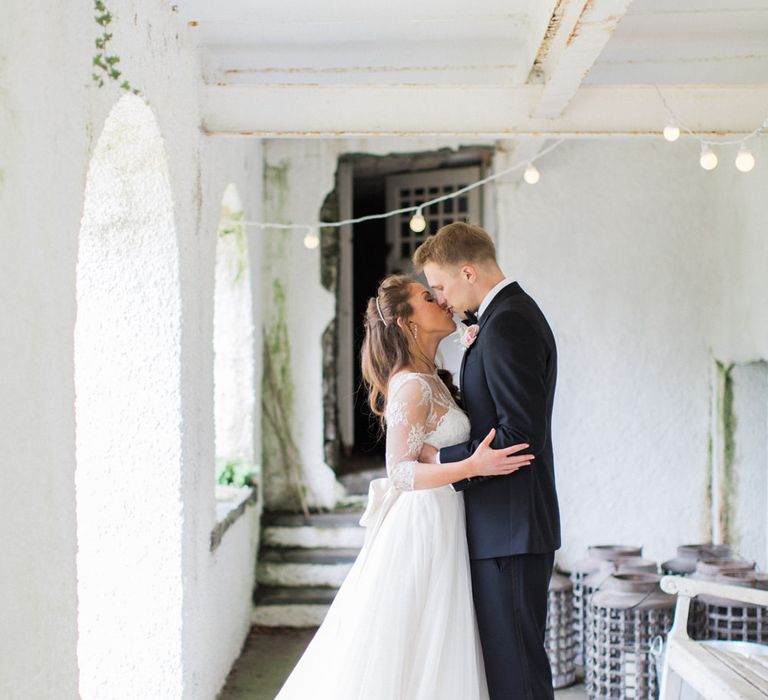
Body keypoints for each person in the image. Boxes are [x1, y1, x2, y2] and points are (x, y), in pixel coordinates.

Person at [274, 273, 534, 700]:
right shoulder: (411, 384)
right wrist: (472, 465)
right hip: (423, 526)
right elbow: (399, 471)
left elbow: (427, 448)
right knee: (416, 638)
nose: (442, 302)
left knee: (439, 640)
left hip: (448, 519)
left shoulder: (432, 376)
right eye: (427, 297)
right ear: (406, 321)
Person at [414, 221, 561, 700]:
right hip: (503, 528)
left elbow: (522, 434)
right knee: (507, 669)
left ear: (469, 271)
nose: (440, 299)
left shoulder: (510, 322)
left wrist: (441, 459)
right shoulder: (499, 320)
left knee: (517, 675)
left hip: (510, 529)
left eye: (440, 286)